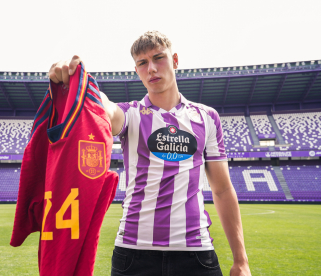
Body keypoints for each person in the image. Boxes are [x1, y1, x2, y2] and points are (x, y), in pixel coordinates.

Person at [48, 31, 251, 276]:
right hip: (133, 254)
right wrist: (81, 85)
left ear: (175, 60)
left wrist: (241, 261)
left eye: (158, 58)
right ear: (137, 71)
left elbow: (222, 189)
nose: (152, 68)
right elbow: (105, 109)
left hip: (196, 253)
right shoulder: (131, 114)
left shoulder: (206, 117)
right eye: (143, 63)